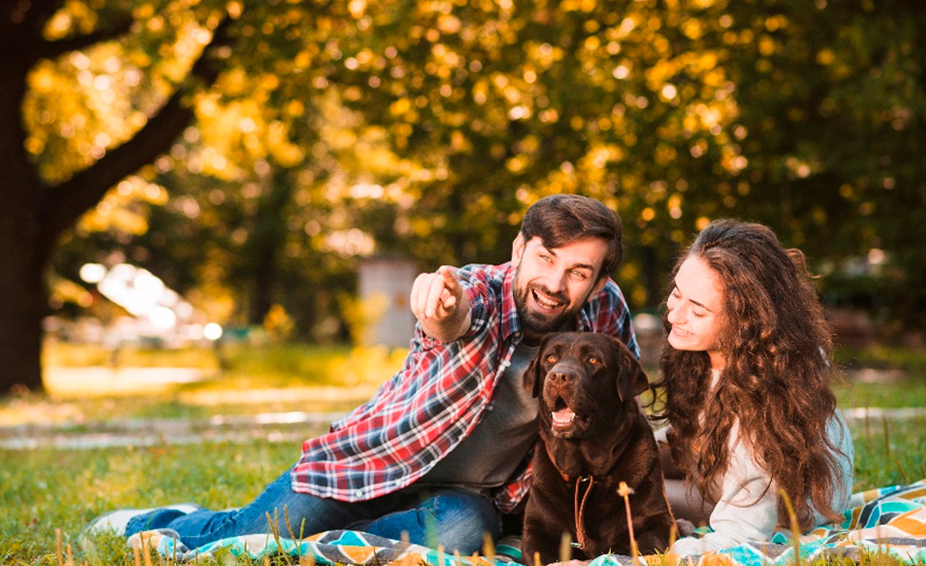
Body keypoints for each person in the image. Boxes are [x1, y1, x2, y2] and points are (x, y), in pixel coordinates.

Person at [87, 194, 640, 555]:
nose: (554, 282)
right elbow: (451, 319)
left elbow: (625, 404)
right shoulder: (476, 292)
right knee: (253, 535)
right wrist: (440, 310)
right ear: (520, 248)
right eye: (545, 258)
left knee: (466, 534)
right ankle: (152, 523)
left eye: (578, 272)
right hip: (371, 465)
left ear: (596, 282)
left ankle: (313, 549)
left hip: (473, 496)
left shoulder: (604, 314)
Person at [653, 219, 854, 555]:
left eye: (698, 311)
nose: (675, 315)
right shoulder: (707, 356)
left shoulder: (762, 406)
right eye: (677, 293)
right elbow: (692, 436)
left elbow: (737, 539)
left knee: (619, 490)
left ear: (745, 325)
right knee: (612, 463)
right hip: (716, 470)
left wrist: (618, 564)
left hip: (774, 511)